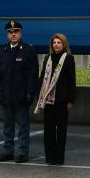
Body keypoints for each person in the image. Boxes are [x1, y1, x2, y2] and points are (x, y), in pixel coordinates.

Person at [0, 19, 38, 163]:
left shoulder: (28, 50)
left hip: (21, 96)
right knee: (7, 126)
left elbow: (32, 73)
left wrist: (31, 93)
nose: (13, 34)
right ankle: (8, 151)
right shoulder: (1, 51)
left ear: (20, 33)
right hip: (5, 95)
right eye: (10, 32)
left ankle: (23, 152)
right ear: (7, 34)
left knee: (23, 126)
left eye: (16, 32)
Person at [34, 33, 76, 165]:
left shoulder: (68, 59)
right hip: (48, 99)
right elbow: (42, 78)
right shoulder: (47, 58)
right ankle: (50, 157)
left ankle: (59, 158)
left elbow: (71, 80)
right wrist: (39, 96)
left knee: (61, 130)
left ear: (64, 44)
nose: (56, 44)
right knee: (48, 130)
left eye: (59, 42)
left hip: (62, 100)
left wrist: (70, 100)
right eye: (54, 43)